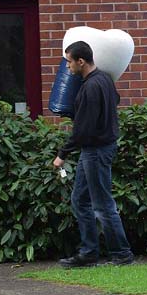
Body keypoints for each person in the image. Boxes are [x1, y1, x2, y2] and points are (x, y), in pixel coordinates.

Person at [51, 41, 135, 268]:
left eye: (69, 62)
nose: (67, 67)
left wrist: (62, 154)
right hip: (98, 149)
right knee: (80, 200)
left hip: (96, 151)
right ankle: (88, 253)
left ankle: (122, 254)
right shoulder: (104, 80)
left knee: (102, 205)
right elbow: (114, 101)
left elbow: (82, 130)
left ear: (81, 61)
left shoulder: (90, 87)